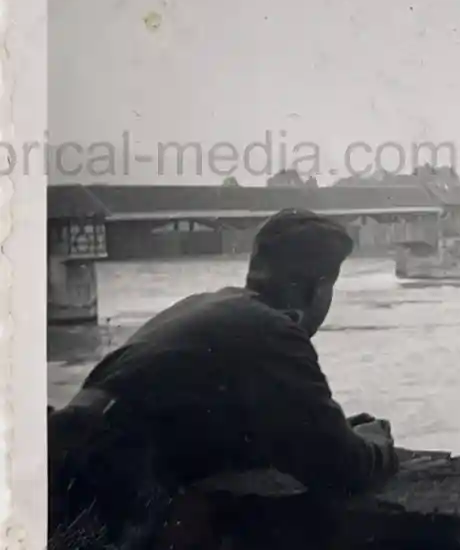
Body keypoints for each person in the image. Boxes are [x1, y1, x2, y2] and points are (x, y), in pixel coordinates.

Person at [48, 208, 399, 550]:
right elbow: (341, 467)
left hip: (64, 467)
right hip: (103, 494)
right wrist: (376, 442)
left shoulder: (205, 305)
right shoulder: (273, 330)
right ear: (319, 287)